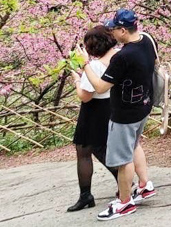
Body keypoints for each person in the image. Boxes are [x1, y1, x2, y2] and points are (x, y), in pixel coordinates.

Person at [78, 9, 158, 221]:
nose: (111, 32)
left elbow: (101, 87)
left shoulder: (123, 57)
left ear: (123, 30)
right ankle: (144, 185)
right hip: (143, 105)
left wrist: (85, 65)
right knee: (133, 146)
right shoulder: (147, 41)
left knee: (123, 160)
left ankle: (124, 203)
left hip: (124, 113)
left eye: (114, 28)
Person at [68, 25, 120, 212]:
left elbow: (85, 96)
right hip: (112, 106)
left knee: (84, 150)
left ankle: (86, 195)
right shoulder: (119, 58)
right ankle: (123, 183)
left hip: (93, 110)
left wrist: (76, 79)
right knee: (102, 148)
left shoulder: (95, 66)